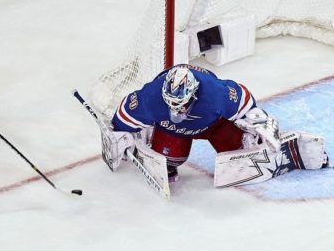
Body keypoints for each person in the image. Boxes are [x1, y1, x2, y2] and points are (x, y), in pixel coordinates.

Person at [105, 64, 329, 182]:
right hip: (172, 129)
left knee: (239, 154)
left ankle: (245, 142)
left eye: (181, 104)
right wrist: (120, 136)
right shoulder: (151, 97)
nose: (177, 110)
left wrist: (259, 122)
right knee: (168, 161)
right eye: (172, 104)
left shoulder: (215, 94)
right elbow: (124, 115)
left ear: (192, 94)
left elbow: (246, 103)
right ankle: (152, 136)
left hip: (214, 125)